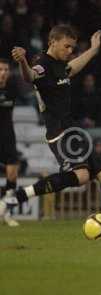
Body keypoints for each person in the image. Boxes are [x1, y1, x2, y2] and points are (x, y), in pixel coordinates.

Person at [7, 25, 101, 240]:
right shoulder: (42, 64)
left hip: (73, 130)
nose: (70, 50)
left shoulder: (60, 65)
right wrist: (22, 61)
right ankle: (20, 195)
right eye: (67, 46)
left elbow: (72, 67)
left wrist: (93, 49)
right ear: (52, 41)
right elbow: (30, 77)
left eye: (72, 47)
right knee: (81, 176)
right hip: (60, 132)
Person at [0, 58, 20, 227]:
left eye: (6, 70)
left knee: (13, 174)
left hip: (7, 135)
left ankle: (6, 212)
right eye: (0, 69)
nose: (4, 73)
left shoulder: (12, 88)